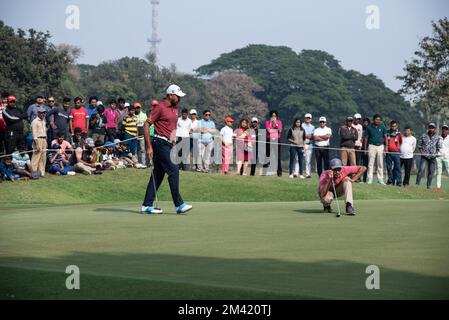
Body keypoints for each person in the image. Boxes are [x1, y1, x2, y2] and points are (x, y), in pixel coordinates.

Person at [142, 84, 193, 214]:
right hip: (159, 142)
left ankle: (146, 205)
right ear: (170, 95)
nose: (180, 98)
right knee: (174, 170)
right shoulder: (160, 107)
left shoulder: (175, 108)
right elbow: (146, 125)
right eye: (178, 96)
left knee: (158, 175)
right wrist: (148, 146)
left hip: (169, 143)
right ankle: (179, 204)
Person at [416, 123, 442, 189]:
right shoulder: (423, 135)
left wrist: (435, 153)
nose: (431, 129)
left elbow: (439, 147)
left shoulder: (437, 137)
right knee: (421, 170)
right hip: (424, 156)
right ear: (428, 128)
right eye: (430, 127)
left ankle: (428, 186)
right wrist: (422, 152)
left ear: (435, 129)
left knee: (431, 172)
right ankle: (417, 184)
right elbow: (419, 145)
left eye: (432, 128)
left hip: (433, 157)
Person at [365, 114, 387, 185]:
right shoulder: (369, 127)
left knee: (380, 163)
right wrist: (365, 149)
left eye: (379, 120)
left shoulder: (382, 127)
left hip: (380, 146)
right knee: (371, 163)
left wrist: (386, 148)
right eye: (376, 119)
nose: (378, 121)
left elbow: (385, 137)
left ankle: (380, 179)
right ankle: (370, 178)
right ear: (373, 120)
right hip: (371, 146)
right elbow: (366, 139)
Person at [264, 110, 283, 177]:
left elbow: (280, 131)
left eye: (274, 116)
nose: (273, 117)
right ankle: (265, 171)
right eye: (272, 116)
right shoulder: (267, 122)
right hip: (269, 139)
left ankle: (279, 172)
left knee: (278, 157)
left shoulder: (279, 122)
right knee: (267, 155)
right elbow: (268, 131)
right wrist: (274, 129)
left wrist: (276, 125)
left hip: (277, 140)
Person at [31, 107, 48, 177]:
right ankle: (33, 172)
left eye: (44, 112)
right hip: (38, 139)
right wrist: (37, 144)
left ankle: (41, 173)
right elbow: (34, 134)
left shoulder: (43, 121)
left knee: (43, 157)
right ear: (38, 113)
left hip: (44, 139)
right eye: (41, 112)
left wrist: (46, 141)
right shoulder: (35, 121)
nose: (43, 114)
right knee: (36, 157)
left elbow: (44, 132)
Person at [385, 120, 403, 186]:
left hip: (396, 153)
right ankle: (390, 180)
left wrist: (397, 148)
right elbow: (385, 141)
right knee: (389, 167)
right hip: (389, 152)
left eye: (395, 126)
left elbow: (400, 141)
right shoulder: (387, 133)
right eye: (392, 126)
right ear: (390, 126)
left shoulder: (399, 134)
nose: (393, 128)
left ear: (396, 126)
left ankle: (398, 182)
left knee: (398, 167)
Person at [435, 125, 449, 191]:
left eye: (446, 129)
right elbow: (435, 146)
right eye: (443, 129)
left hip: (447, 157)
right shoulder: (438, 138)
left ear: (448, 131)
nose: (444, 130)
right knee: (439, 172)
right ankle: (438, 187)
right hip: (439, 157)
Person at [302, 113, 315, 178]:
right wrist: (307, 135)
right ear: (305, 118)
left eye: (309, 118)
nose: (308, 119)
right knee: (298, 159)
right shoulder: (301, 125)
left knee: (308, 160)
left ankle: (308, 174)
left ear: (311, 119)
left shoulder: (313, 127)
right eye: (307, 118)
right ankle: (296, 173)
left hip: (309, 145)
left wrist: (306, 135)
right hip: (301, 144)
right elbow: (301, 135)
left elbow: (312, 136)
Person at [361, 118, 371, 183]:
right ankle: (359, 178)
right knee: (360, 163)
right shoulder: (361, 130)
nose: (365, 124)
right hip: (360, 149)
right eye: (364, 122)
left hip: (367, 149)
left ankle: (365, 179)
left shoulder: (369, 131)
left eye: (367, 123)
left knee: (366, 164)